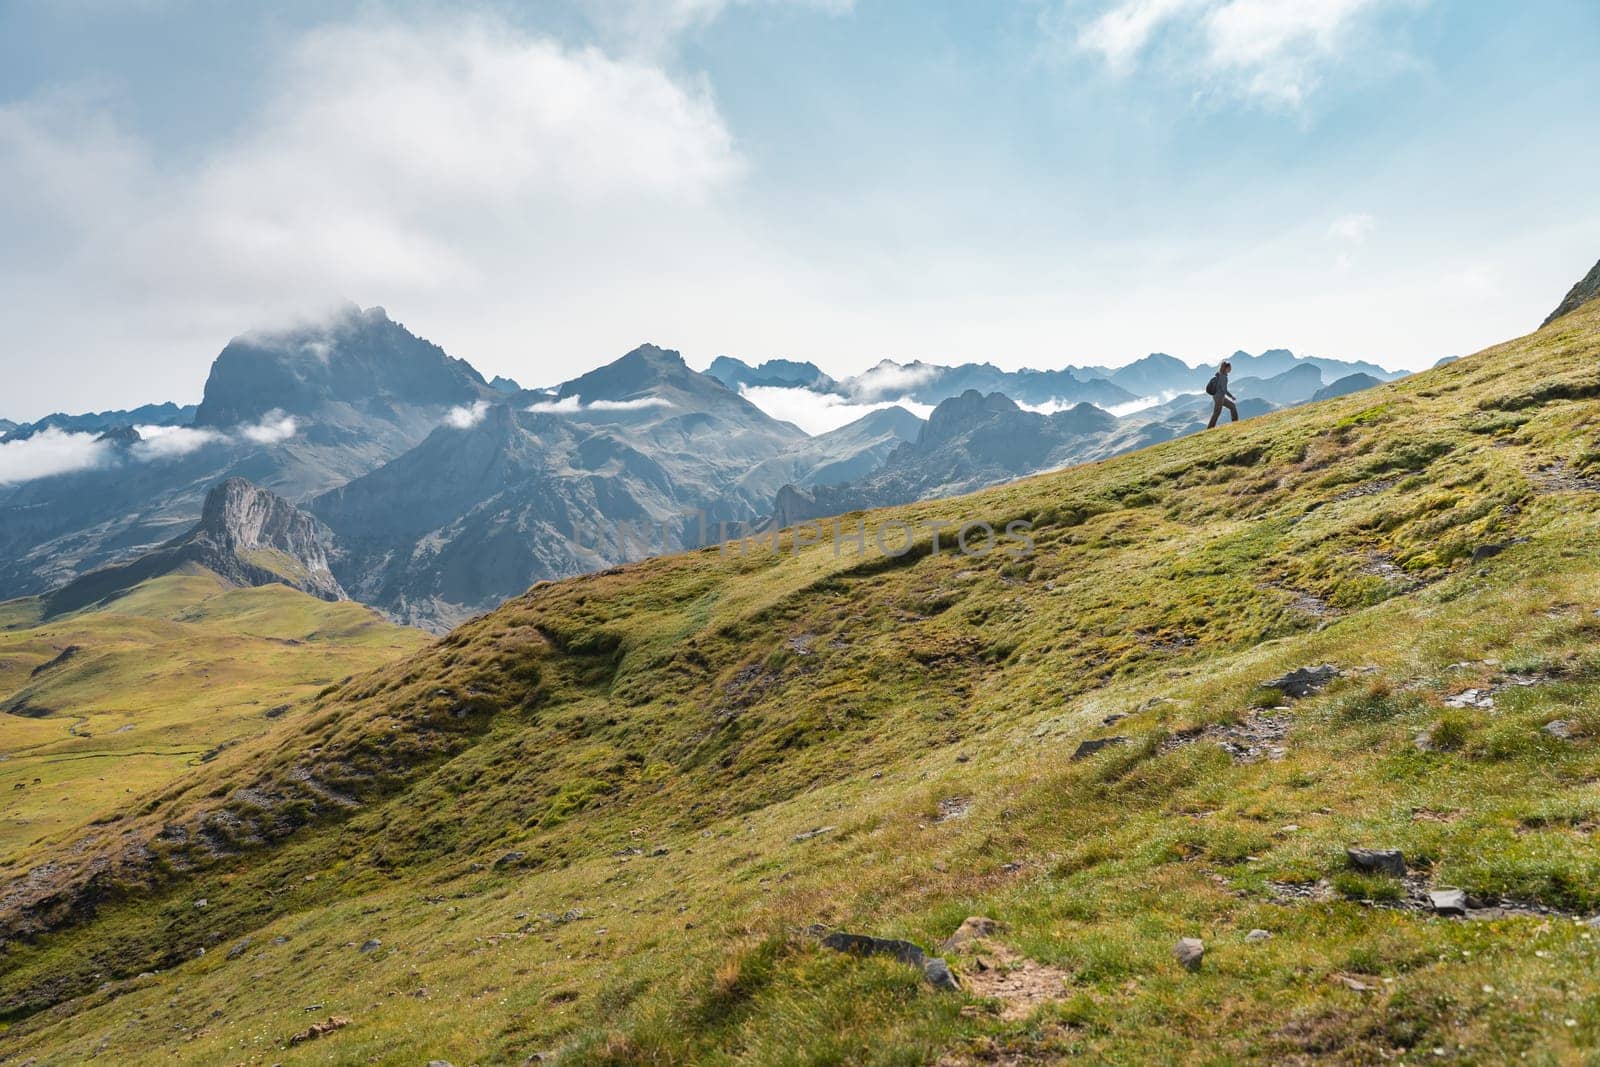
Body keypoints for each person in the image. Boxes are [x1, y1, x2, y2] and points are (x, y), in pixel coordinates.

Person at [1206, 360, 1238, 428]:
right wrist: (1231, 396)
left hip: (1217, 396)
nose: (1231, 369)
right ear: (1225, 368)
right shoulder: (1224, 377)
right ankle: (1210, 428)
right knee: (1217, 413)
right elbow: (1224, 390)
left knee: (1232, 406)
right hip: (1219, 397)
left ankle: (1235, 423)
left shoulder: (1219, 375)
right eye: (1229, 368)